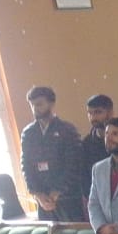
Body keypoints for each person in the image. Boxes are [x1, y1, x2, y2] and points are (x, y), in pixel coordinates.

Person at [21, 86, 85, 221]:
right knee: (49, 233)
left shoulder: (67, 129)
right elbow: (26, 166)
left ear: (51, 103)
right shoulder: (28, 133)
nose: (35, 108)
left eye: (39, 104)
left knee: (73, 231)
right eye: (32, 105)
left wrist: (57, 190)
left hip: (68, 196)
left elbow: (74, 163)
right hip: (43, 197)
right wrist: (37, 193)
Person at [82, 93, 114, 198]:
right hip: (98, 199)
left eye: (98, 112)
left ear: (110, 113)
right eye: (89, 113)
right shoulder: (86, 143)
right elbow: (85, 176)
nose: (93, 117)